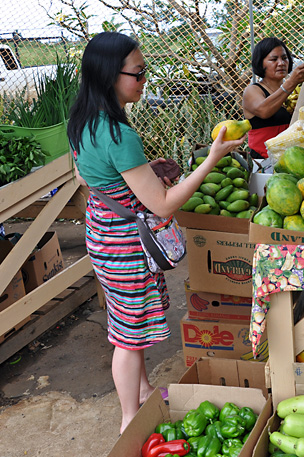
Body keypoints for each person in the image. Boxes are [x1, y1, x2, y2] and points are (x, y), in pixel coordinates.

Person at [67, 32, 244, 433]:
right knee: (128, 338)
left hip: (102, 233)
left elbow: (85, 176)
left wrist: (144, 173)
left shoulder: (82, 120)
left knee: (128, 319)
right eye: (139, 72)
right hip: (126, 243)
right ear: (112, 74)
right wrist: (212, 157)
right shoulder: (119, 132)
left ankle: (144, 391)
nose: (145, 79)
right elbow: (163, 205)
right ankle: (130, 419)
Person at [242, 37, 304, 159]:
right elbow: (264, 111)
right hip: (263, 163)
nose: (281, 63)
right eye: (274, 59)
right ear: (260, 63)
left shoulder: (296, 91)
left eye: (284, 58)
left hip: (294, 159)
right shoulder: (253, 90)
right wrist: (290, 83)